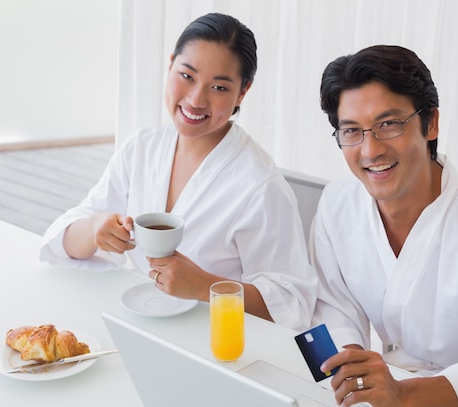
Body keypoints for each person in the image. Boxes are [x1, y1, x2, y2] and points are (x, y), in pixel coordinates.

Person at [310, 45, 458, 407]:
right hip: (389, 389)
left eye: (389, 124)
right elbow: (328, 304)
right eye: (352, 131)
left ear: (431, 122)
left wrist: (405, 397)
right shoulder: (336, 204)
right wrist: (351, 360)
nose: (370, 149)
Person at [40, 13, 316, 330]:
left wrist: (206, 287)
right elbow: (61, 241)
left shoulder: (260, 186)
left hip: (216, 345)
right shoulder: (141, 149)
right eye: (187, 76)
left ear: (243, 92)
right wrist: (94, 230)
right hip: (136, 325)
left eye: (219, 87)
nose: (197, 99)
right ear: (170, 64)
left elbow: (292, 303)